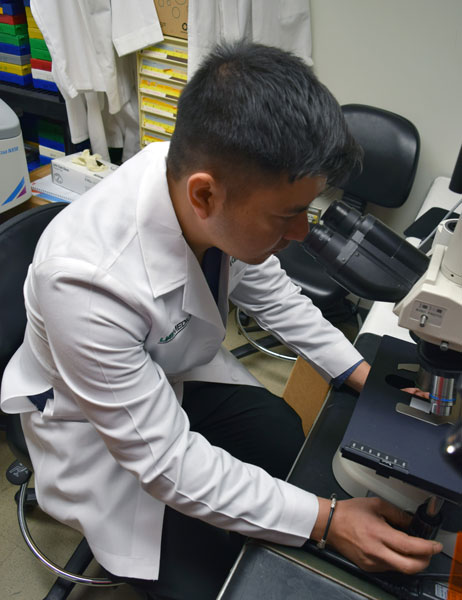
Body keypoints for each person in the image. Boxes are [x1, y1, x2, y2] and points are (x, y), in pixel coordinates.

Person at [1, 42, 441, 599]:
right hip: (91, 428)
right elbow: (166, 463)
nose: (303, 233)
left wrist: (362, 375)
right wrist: (328, 521)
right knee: (219, 583)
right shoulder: (84, 283)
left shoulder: (196, 182)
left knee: (285, 442)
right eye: (288, 216)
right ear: (205, 195)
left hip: (170, 368)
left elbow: (273, 294)